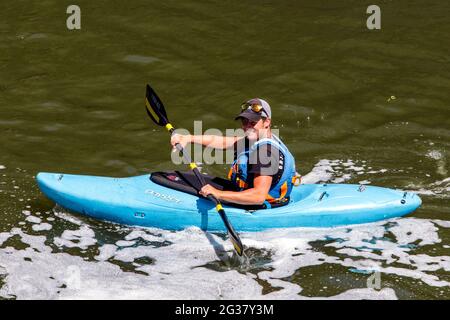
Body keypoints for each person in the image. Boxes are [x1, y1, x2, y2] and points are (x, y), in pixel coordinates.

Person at [170, 98, 298, 208]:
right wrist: (189, 138)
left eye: (253, 122)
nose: (247, 126)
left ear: (267, 122)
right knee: (177, 178)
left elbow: (258, 196)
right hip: (255, 195)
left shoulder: (265, 153)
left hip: (260, 206)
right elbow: (224, 142)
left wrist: (218, 194)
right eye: (244, 121)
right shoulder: (260, 137)